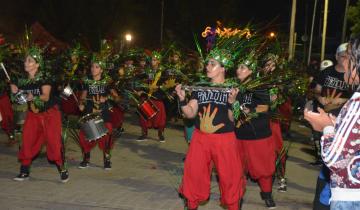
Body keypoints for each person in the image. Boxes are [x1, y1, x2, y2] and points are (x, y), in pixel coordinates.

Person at [176, 49, 245, 210]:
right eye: (207, 63)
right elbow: (191, 113)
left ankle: (234, 206)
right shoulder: (200, 87)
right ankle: (191, 205)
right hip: (201, 138)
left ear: (223, 68)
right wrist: (181, 101)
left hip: (225, 140)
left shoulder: (233, 89)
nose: (207, 66)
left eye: (212, 64)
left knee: (230, 177)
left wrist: (232, 102)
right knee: (193, 174)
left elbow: (232, 119)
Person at [304, 37, 360, 210]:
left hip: (349, 196)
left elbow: (334, 158)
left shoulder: (356, 102)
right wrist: (338, 125)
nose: (344, 63)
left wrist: (326, 127)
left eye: (348, 58)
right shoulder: (326, 72)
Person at [10, 46, 69, 182]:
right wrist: (14, 92)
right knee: (27, 140)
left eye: (30, 61)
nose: (26, 63)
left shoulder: (44, 78)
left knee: (54, 143)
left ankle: (62, 168)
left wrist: (32, 97)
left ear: (37, 64)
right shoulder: (22, 81)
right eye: (25, 61)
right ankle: (24, 171)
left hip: (50, 114)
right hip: (33, 115)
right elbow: (19, 101)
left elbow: (46, 96)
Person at [230, 54, 276, 209]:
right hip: (238, 134)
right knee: (237, 169)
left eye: (242, 67)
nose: (238, 70)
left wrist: (251, 110)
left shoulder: (259, 86)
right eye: (238, 67)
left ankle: (267, 194)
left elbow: (266, 107)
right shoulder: (234, 86)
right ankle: (238, 196)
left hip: (258, 135)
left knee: (263, 169)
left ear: (251, 71)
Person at [310, 43, 353, 166]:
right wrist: (320, 98)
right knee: (319, 136)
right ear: (336, 56)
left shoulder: (352, 76)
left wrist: (341, 101)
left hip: (340, 115)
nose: (345, 59)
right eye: (342, 56)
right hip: (323, 111)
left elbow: (355, 97)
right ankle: (321, 159)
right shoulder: (326, 72)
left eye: (348, 56)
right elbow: (317, 90)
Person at [77, 54, 120, 170]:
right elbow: (83, 96)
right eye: (92, 67)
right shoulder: (87, 81)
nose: (93, 69)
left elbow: (117, 98)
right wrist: (81, 104)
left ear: (101, 69)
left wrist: (106, 98)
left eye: (96, 67)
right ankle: (86, 157)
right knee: (84, 136)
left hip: (104, 113)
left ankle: (107, 158)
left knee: (107, 136)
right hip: (90, 112)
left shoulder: (106, 82)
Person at [137, 51, 167, 142]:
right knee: (144, 116)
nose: (152, 61)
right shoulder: (147, 70)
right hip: (147, 96)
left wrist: (158, 87)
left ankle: (160, 134)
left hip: (157, 96)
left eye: (154, 60)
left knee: (160, 118)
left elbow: (166, 85)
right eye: (151, 60)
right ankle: (144, 134)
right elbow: (141, 81)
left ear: (158, 61)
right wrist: (141, 89)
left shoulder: (163, 72)